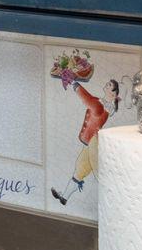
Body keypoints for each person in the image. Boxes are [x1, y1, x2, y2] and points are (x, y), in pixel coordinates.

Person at [51, 77, 120, 206]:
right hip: (90, 142)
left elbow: (87, 98)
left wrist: (73, 83)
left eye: (109, 85)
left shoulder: (101, 106)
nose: (106, 84)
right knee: (80, 169)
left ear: (113, 93)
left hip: (93, 142)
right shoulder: (103, 104)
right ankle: (64, 198)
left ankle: (115, 198)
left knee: (99, 170)